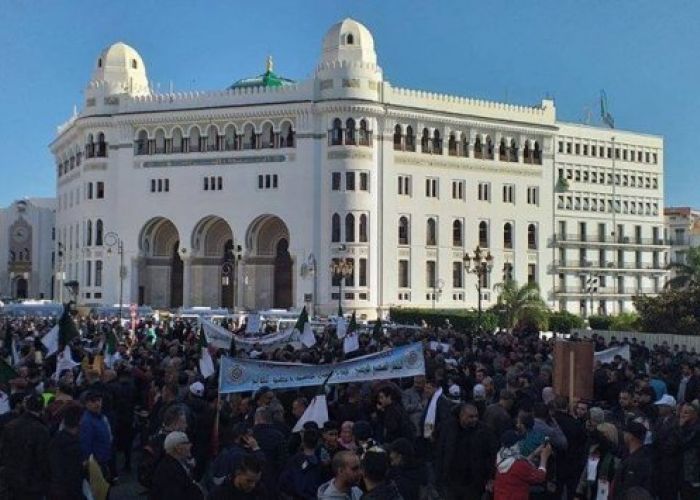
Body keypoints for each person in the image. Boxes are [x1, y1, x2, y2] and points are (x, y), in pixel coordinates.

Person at [437, 403, 497, 500]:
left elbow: (491, 455)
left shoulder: (484, 432)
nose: (475, 419)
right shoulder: (449, 429)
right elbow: (441, 451)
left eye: (476, 416)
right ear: (461, 416)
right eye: (471, 417)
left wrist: (490, 476)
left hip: (474, 481)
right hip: (452, 480)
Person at [0, 393, 51, 499]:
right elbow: (44, 460)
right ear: (42, 408)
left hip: (11, 481)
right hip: (33, 484)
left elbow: (3, 452)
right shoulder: (42, 430)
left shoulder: (11, 426)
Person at [494, 430, 551, 500]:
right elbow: (539, 477)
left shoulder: (501, 458)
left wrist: (534, 453)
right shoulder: (519, 464)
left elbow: (521, 466)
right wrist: (544, 459)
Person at [150, 431, 204, 500]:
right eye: (186, 443)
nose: (190, 445)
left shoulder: (172, 464)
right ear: (178, 448)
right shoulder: (170, 472)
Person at [48, 405, 85, 500]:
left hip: (55, 489)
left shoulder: (55, 439)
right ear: (80, 421)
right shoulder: (74, 445)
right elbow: (74, 476)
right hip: (69, 492)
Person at [279, 427, 325, 499]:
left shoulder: (294, 460)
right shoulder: (321, 463)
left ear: (303, 442)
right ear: (317, 443)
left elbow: (284, 481)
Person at [613, 421, 653, 499]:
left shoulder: (637, 461)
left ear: (631, 436)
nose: (624, 435)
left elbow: (628, 488)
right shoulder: (632, 456)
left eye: (626, 433)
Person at [79, 390, 113, 479]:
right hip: (95, 464)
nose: (97, 404)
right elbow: (85, 444)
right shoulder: (86, 421)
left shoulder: (102, 418)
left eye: (99, 400)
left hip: (103, 460)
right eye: (93, 401)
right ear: (86, 403)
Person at [678, 401, 700, 500]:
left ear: (695, 414)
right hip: (683, 469)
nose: (682, 415)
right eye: (682, 412)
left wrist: (680, 427)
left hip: (694, 471)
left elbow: (683, 443)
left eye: (686, 412)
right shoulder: (687, 426)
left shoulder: (697, 429)